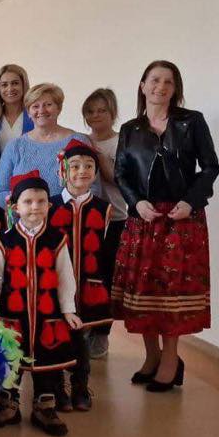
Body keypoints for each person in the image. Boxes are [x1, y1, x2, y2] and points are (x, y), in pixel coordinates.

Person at [113, 60, 219, 392]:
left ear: (176, 89)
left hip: (180, 219)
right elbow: (121, 173)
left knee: (172, 293)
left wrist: (191, 201)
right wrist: (136, 203)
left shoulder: (192, 121)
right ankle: (152, 356)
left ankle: (171, 360)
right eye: (155, 80)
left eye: (168, 82)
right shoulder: (130, 129)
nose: (160, 87)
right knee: (144, 291)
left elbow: (210, 167)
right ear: (143, 85)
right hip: (144, 219)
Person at [0, 170, 81, 437]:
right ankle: (7, 404)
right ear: (15, 207)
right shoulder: (4, 239)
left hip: (47, 314)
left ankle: (44, 407)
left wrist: (68, 309)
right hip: (12, 313)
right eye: (28, 202)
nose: (34, 207)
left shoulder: (57, 239)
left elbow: (65, 276)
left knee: (46, 361)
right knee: (10, 360)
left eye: (41, 201)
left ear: (49, 205)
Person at [47, 140, 112, 412]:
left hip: (87, 284)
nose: (82, 171)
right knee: (54, 335)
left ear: (95, 173)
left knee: (81, 336)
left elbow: (105, 251)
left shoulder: (103, 208)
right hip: (55, 284)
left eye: (88, 166)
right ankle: (56, 388)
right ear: (62, 171)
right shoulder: (49, 205)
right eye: (74, 166)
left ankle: (81, 385)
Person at [81, 88, 129, 359]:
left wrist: (96, 156)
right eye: (90, 111)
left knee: (105, 278)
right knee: (84, 275)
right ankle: (82, 329)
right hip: (84, 218)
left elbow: (118, 180)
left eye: (102, 110)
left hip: (115, 218)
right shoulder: (81, 140)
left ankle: (101, 334)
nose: (96, 115)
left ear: (112, 112)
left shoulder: (122, 141)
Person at [0, 83, 92, 209]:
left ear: (59, 108)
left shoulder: (79, 141)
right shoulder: (14, 146)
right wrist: (26, 208)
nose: (41, 110)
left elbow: (93, 185)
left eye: (48, 104)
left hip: (70, 216)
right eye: (35, 106)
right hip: (27, 219)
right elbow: (0, 190)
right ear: (28, 112)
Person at [0, 64, 32, 219]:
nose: (10, 88)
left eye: (15, 83)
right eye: (4, 85)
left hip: (27, 183)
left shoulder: (34, 114)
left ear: (24, 85)